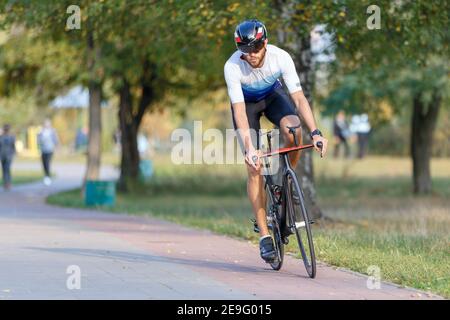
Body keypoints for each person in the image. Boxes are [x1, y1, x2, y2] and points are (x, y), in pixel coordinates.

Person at [224, 19, 328, 263]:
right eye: (245, 50)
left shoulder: (281, 57)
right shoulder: (232, 66)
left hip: (272, 96)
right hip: (247, 106)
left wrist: (316, 132)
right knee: (254, 166)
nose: (250, 55)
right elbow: (239, 111)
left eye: (255, 49)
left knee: (294, 130)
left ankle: (287, 177)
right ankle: (264, 236)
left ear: (265, 43)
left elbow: (300, 99)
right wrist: (250, 149)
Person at [37, 119, 59, 186]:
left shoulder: (52, 131)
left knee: (47, 163)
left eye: (48, 124)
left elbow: (55, 140)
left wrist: (57, 147)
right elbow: (38, 140)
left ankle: (48, 177)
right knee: (44, 163)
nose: (46, 125)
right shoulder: (41, 131)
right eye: (45, 124)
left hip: (50, 150)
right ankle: (46, 176)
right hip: (43, 150)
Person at [0, 124, 16, 190]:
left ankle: (8, 183)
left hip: (9, 156)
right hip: (2, 156)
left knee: (7, 169)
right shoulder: (1, 137)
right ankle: (6, 183)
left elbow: (13, 147)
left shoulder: (12, 137)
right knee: (4, 170)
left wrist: (13, 154)